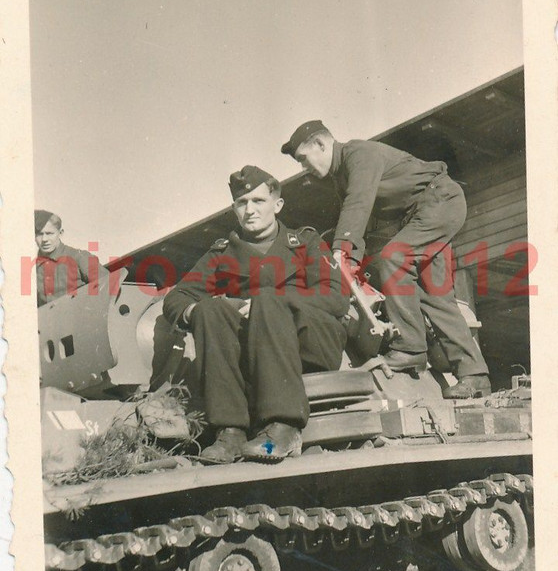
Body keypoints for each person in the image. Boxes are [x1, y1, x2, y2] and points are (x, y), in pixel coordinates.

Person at [281, 120, 490, 399]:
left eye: (303, 159)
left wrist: (343, 250)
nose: (303, 167)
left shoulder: (358, 154)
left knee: (394, 256)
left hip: (438, 201)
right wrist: (344, 254)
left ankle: (410, 347)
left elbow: (359, 203)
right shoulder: (340, 176)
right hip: (426, 211)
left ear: (321, 144)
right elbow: (361, 220)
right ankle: (475, 375)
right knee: (434, 292)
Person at [163, 165, 349, 464]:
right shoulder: (223, 252)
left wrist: (278, 301)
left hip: (311, 343)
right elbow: (177, 298)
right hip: (253, 350)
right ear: (234, 209)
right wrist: (203, 310)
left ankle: (284, 428)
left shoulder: (306, 243)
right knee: (210, 309)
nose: (250, 210)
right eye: (242, 203)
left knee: (267, 299)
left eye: (258, 201)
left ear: (277, 205)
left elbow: (336, 296)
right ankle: (231, 432)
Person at [34, 210, 107, 306]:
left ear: (60, 233)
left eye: (50, 233)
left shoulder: (79, 257)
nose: (44, 239)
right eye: (39, 234)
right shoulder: (33, 269)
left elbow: (109, 286)